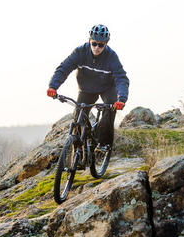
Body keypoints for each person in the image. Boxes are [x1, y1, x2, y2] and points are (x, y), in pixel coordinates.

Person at [47, 24, 129, 153]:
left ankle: (104, 143)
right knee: (78, 118)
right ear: (89, 40)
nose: (97, 47)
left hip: (106, 88)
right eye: (94, 43)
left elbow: (121, 78)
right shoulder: (80, 52)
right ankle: (78, 153)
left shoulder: (111, 57)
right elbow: (64, 68)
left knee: (110, 108)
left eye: (101, 45)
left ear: (106, 44)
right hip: (86, 89)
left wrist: (122, 99)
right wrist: (53, 86)